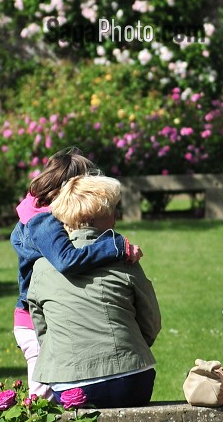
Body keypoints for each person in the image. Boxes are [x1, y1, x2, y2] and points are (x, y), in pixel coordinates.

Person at [11, 149, 140, 398]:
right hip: (36, 320)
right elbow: (66, 260)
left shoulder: (35, 212)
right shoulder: (43, 221)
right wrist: (116, 247)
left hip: (43, 314)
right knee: (42, 403)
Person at [28, 175, 161, 407]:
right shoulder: (124, 258)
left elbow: (42, 329)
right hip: (131, 380)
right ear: (94, 215)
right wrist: (131, 348)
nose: (117, 217)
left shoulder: (40, 267)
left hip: (70, 385)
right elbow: (151, 320)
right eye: (113, 210)